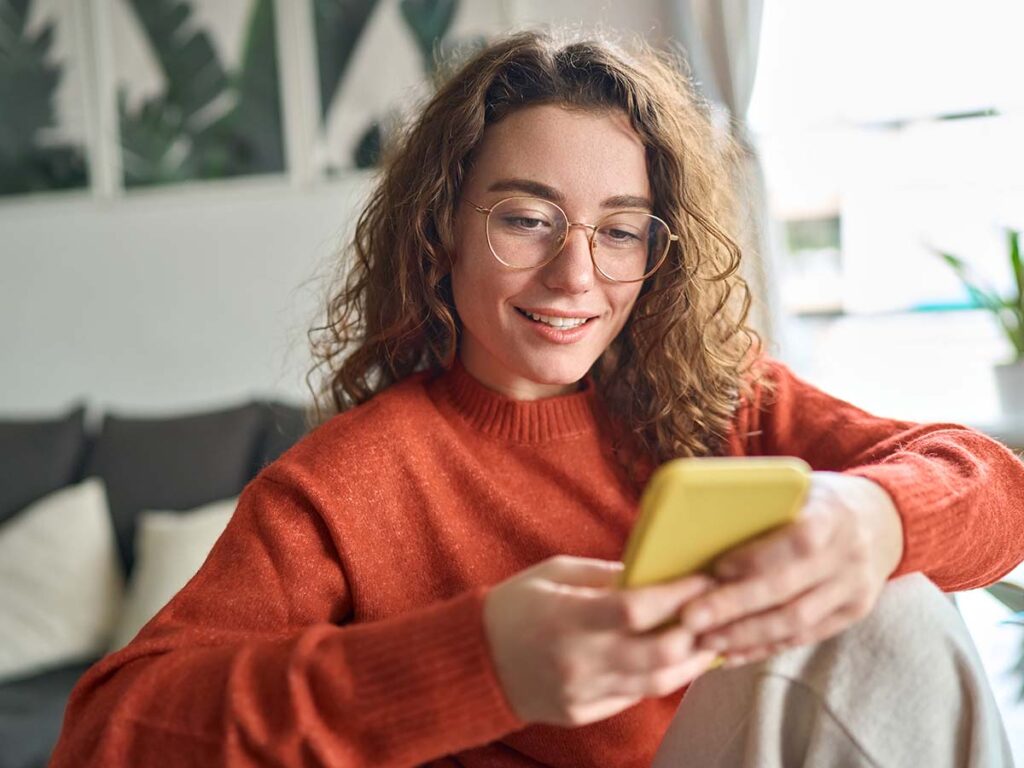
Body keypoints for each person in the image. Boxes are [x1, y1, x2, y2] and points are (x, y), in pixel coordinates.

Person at [50, 29, 1023, 767]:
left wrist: (877, 519)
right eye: (526, 219)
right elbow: (105, 734)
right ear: (443, 230)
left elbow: (996, 489)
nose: (575, 277)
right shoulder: (345, 484)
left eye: (620, 231)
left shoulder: (727, 402)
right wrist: (477, 662)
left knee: (890, 606)